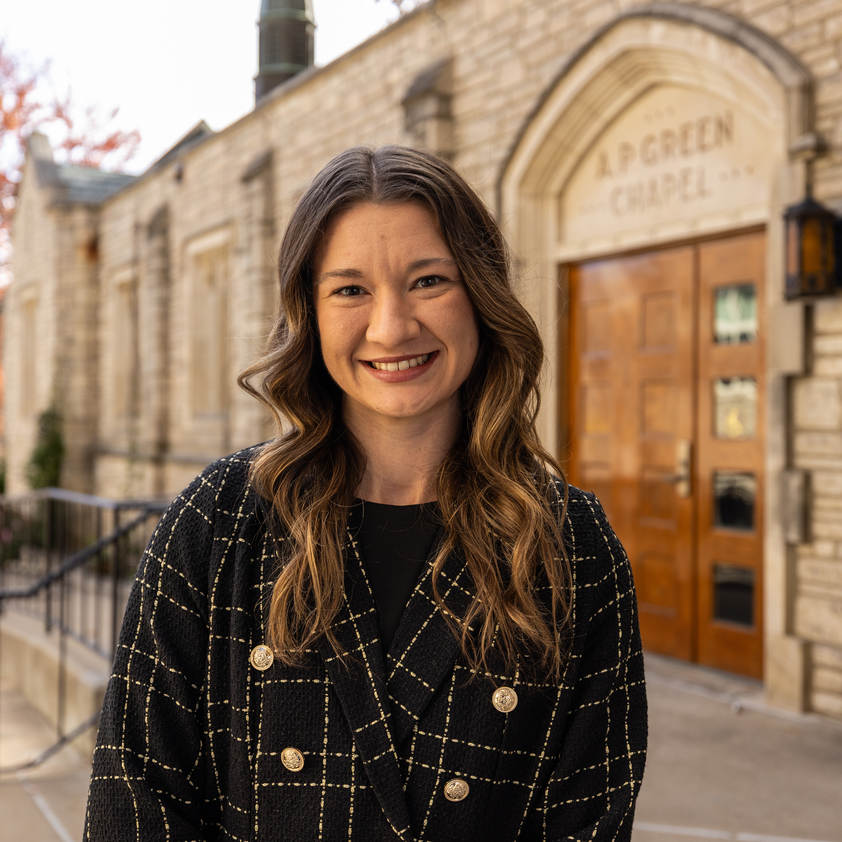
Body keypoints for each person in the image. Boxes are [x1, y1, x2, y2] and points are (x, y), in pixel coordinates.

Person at [85, 146, 647, 841]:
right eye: (350, 290)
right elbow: (134, 800)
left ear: (481, 294)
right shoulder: (219, 520)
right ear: (310, 315)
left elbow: (589, 821)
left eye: (429, 280)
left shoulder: (572, 544)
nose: (392, 327)